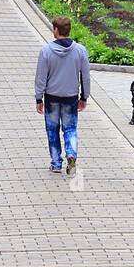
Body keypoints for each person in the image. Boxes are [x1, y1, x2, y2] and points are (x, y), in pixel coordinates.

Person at [34, 15, 91, 176]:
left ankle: (56, 163)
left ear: (56, 30)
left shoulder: (46, 51)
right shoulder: (80, 51)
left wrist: (39, 98)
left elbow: (40, 77)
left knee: (52, 130)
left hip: (51, 97)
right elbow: (85, 77)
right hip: (71, 97)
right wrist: (84, 97)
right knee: (70, 129)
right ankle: (71, 153)